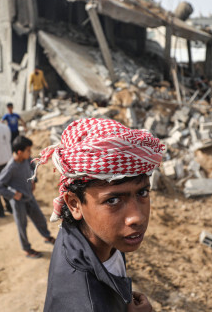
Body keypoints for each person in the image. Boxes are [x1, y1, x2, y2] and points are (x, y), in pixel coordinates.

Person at [34, 118, 163, 312]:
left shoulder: (91, 234)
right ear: (75, 204)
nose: (137, 217)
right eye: (113, 201)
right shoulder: (86, 304)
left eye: (142, 193)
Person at [0, 136, 55, 258]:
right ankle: (27, 249)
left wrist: (33, 179)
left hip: (29, 196)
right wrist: (13, 194)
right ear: (20, 152)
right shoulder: (11, 167)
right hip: (18, 202)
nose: (30, 153)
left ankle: (46, 236)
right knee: (22, 225)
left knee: (39, 218)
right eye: (28, 151)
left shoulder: (26, 159)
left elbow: (33, 166)